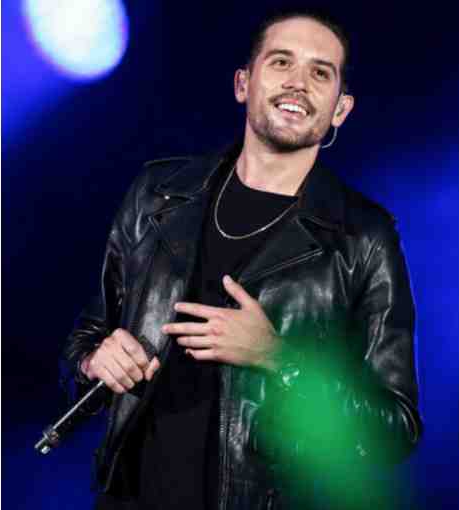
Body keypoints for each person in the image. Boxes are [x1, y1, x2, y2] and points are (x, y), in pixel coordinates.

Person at [60, 8, 423, 510]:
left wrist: (277, 358)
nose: (298, 83)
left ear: (340, 109)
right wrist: (93, 359)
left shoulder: (363, 237)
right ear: (242, 84)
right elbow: (84, 341)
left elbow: (395, 430)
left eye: (320, 73)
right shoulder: (158, 194)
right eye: (281, 62)